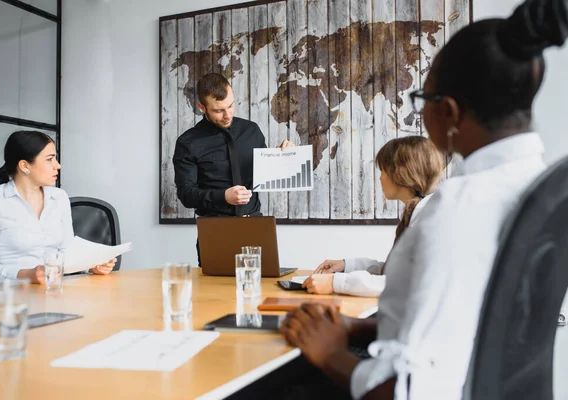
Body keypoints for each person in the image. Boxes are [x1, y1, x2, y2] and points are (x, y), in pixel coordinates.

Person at [280, 0, 568, 398]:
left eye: (423, 100)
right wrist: (355, 327)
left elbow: (412, 392)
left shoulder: (458, 210)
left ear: (447, 112)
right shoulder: (542, 186)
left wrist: (329, 352)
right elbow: (469, 320)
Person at [173, 73, 292, 263]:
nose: (228, 114)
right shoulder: (188, 142)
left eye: (231, 105)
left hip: (256, 225)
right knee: (213, 292)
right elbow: (186, 194)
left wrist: (282, 157)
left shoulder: (251, 131)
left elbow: (264, 176)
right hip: (215, 229)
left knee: (260, 289)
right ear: (202, 108)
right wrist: (224, 196)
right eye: (219, 110)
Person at [303, 136, 445, 296]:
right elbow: (394, 271)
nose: (380, 178)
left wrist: (336, 283)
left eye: (383, 171)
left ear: (401, 173)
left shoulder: (430, 221)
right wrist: (346, 265)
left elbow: (403, 283)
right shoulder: (420, 213)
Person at [0, 130, 116, 285]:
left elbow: (66, 253)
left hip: (54, 291)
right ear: (25, 166)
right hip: (9, 297)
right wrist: (28, 275)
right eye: (49, 159)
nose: (57, 165)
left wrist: (91, 266)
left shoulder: (59, 198)